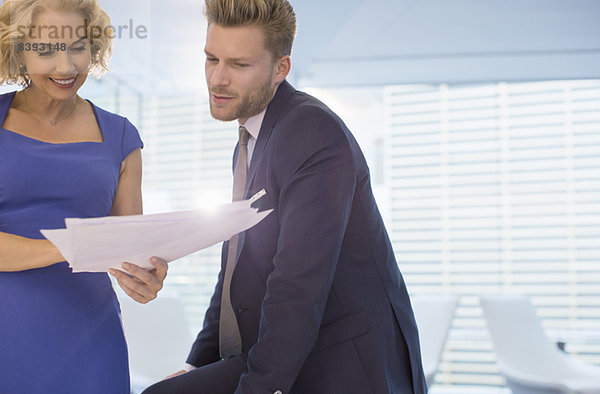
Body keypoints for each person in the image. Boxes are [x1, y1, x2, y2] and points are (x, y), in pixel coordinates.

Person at [144, 0, 427, 393]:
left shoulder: (311, 132)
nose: (218, 79)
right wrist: (197, 363)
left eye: (239, 65)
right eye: (212, 59)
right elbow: (235, 268)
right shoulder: (254, 140)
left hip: (342, 364)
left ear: (281, 68)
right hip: (287, 351)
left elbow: (298, 284)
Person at [0, 0, 168, 393]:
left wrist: (147, 277)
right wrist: (74, 246)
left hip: (91, 339)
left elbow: (130, 249)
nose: (65, 66)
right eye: (45, 49)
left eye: (77, 46)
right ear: (19, 50)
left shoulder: (121, 137)